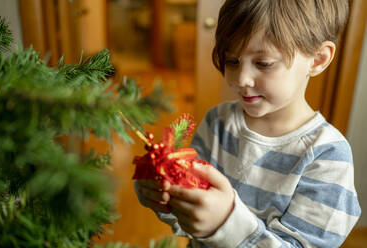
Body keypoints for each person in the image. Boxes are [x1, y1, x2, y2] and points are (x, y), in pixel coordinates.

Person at [134, 0, 361, 247]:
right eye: (232, 61)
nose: (241, 79)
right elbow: (188, 213)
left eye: (263, 63)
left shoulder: (328, 157)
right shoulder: (218, 122)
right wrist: (164, 196)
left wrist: (225, 226)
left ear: (317, 59)